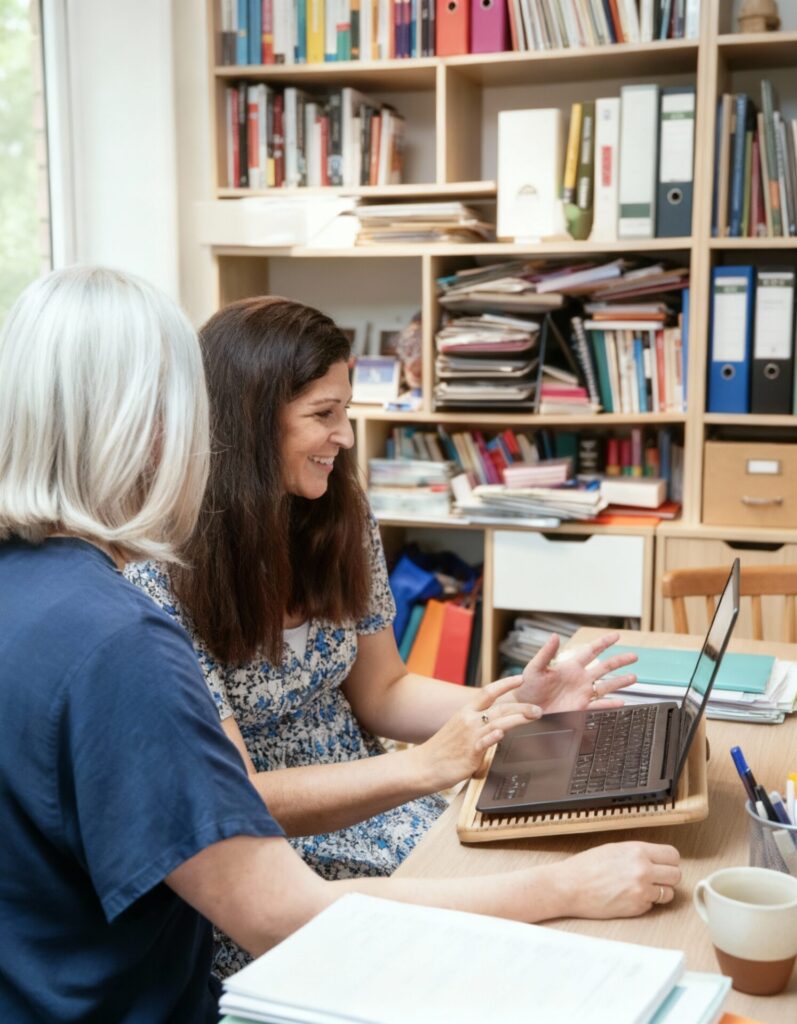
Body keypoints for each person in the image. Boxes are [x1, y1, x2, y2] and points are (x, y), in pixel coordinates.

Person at [0, 268, 681, 1023]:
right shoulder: (127, 630)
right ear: (163, 425)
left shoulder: (40, 594)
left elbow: (380, 692)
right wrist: (556, 888)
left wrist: (508, 711)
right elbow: (279, 910)